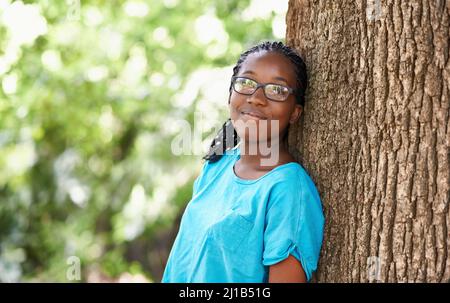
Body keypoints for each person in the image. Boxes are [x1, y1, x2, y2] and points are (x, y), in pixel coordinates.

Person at [162, 41, 324, 283]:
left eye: (277, 90)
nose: (257, 98)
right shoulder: (216, 165)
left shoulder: (288, 189)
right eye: (246, 83)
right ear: (231, 93)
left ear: (295, 112)